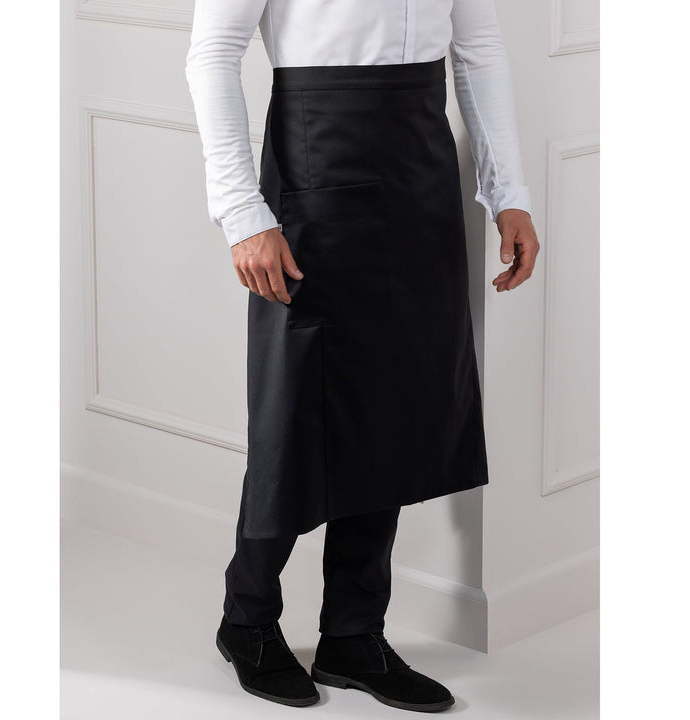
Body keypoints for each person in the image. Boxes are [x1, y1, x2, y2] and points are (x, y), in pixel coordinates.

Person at [185, 0, 540, 711]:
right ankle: (247, 618)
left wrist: (509, 192)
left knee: (396, 402)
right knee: (294, 407)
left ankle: (353, 635)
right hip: (315, 155)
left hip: (421, 166)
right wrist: (243, 213)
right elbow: (213, 52)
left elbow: (478, 48)